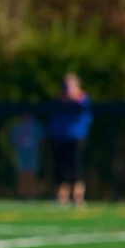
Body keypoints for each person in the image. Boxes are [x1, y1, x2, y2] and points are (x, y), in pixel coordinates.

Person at [48, 72, 91, 207]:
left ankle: (78, 196)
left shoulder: (82, 100)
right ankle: (62, 196)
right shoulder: (59, 101)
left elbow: (85, 116)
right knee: (61, 167)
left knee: (76, 167)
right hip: (60, 137)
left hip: (76, 137)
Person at [3, 112, 44, 199]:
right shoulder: (16, 126)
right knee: (21, 173)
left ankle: (32, 193)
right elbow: (11, 140)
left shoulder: (36, 126)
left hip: (32, 152)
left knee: (32, 173)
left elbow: (41, 140)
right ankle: (22, 193)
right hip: (20, 153)